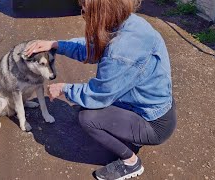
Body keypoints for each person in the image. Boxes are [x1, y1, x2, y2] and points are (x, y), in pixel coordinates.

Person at [24, 0, 177, 179]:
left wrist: (64, 88)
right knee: (88, 108)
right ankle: (129, 135)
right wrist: (55, 44)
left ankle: (131, 162)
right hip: (153, 108)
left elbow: (97, 95)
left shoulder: (121, 51)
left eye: (85, 9)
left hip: (154, 124)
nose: (82, 11)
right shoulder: (129, 23)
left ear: (102, 10)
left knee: (88, 117)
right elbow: (93, 47)